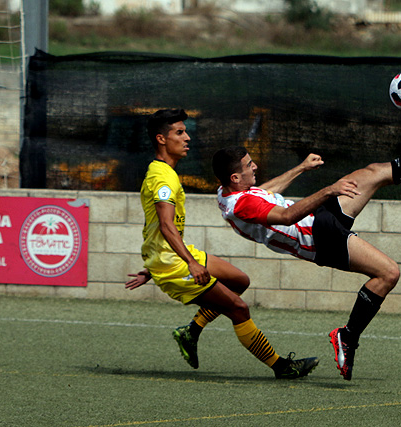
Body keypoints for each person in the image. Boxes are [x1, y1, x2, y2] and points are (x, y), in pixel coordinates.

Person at [211, 111, 401, 381]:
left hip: (317, 219)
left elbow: (262, 192)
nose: (254, 166)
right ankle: (347, 337)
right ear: (235, 177)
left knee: (374, 172)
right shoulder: (242, 204)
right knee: (388, 273)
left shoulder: (226, 191)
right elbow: (287, 216)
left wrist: (300, 168)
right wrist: (329, 189)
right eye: (249, 164)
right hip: (317, 237)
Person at [125, 108, 319, 379]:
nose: (187, 137)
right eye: (179, 132)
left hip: (168, 257)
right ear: (161, 139)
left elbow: (158, 227)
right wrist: (187, 263)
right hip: (174, 262)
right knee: (238, 308)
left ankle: (190, 331)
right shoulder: (162, 178)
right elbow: (166, 225)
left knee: (239, 281)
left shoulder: (164, 173)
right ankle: (281, 367)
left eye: (186, 130)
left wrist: (153, 264)